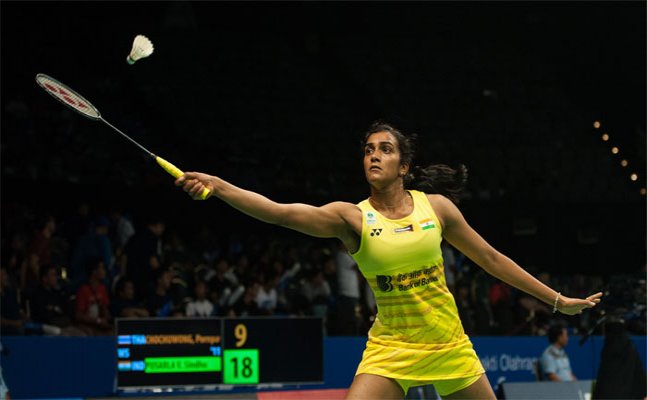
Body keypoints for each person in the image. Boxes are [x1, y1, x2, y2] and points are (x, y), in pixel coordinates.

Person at [175, 122, 602, 399]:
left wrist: (557, 300)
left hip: (449, 344)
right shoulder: (351, 218)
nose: (374, 156)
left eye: (384, 149)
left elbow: (491, 259)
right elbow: (280, 212)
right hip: (391, 348)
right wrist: (219, 186)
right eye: (368, 150)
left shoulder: (437, 208)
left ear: (404, 166)